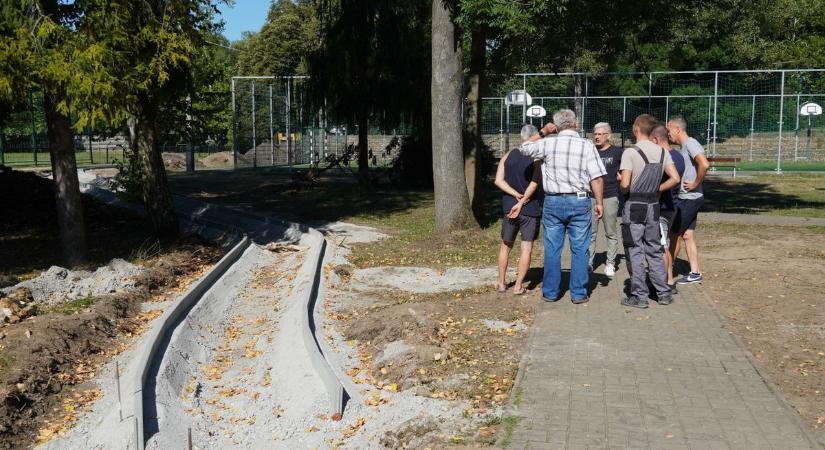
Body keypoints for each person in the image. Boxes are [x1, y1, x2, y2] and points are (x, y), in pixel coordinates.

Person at [520, 109, 606, 304]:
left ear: (556, 126)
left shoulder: (547, 143)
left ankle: (550, 292)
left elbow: (524, 147)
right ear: (575, 124)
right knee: (580, 248)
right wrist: (599, 202)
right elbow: (597, 178)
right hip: (579, 200)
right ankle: (578, 293)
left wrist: (543, 132)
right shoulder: (587, 145)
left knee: (552, 248)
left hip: (553, 201)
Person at [619, 115, 680, 308]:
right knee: (654, 249)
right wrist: (658, 189)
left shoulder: (630, 152)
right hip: (653, 206)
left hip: (634, 205)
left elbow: (626, 185)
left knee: (635, 250)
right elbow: (675, 178)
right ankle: (663, 293)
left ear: (636, 128)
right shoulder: (663, 152)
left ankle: (639, 296)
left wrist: (620, 180)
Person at [494, 124, 543, 294]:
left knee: (505, 246)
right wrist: (522, 199)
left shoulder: (508, 155)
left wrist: (514, 194)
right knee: (526, 247)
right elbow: (535, 182)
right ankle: (518, 286)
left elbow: (498, 181)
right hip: (529, 207)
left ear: (521, 136)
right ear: (535, 137)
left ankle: (501, 283)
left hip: (509, 206)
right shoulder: (536, 157)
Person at [666, 116, 710, 285]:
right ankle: (695, 272)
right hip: (691, 197)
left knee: (674, 235)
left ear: (678, 129)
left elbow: (704, 164)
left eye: (669, 130)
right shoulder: (685, 146)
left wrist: (696, 183)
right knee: (687, 235)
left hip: (689, 199)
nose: (668, 134)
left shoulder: (690, 144)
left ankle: (665, 272)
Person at [650, 125, 684, 293]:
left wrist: (657, 190)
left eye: (651, 142)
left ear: (656, 140)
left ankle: (664, 284)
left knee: (661, 246)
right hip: (672, 207)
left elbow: (672, 180)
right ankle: (668, 279)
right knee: (665, 244)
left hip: (663, 209)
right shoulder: (678, 156)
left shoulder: (665, 157)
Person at [588, 122, 623, 277]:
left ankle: (610, 263)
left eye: (600, 134)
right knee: (590, 233)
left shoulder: (618, 152)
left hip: (610, 196)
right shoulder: (590, 151)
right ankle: (588, 263)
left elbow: (625, 173)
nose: (597, 137)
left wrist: (622, 177)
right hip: (591, 198)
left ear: (608, 135)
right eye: (595, 134)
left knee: (611, 232)